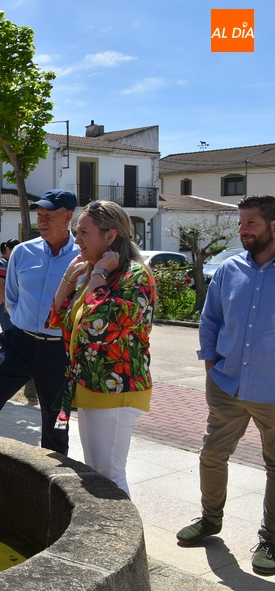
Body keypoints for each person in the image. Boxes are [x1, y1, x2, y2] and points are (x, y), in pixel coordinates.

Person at [176, 195, 275, 575]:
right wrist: (210, 363)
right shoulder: (230, 269)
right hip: (227, 384)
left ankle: (270, 538)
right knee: (211, 455)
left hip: (272, 390)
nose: (242, 229)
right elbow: (211, 318)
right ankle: (210, 519)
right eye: (241, 223)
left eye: (250, 223)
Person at [46, 200, 155, 496]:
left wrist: (96, 277)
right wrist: (70, 277)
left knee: (109, 472)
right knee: (96, 469)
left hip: (117, 388)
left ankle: (124, 538)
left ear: (110, 236)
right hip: (93, 386)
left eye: (83, 232)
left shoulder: (134, 276)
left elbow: (98, 327)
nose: (76, 239)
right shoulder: (97, 274)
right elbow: (59, 318)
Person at [0, 190, 79, 454]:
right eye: (39, 214)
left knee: (57, 426)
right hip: (19, 344)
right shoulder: (23, 253)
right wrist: (20, 321)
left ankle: (53, 486)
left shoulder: (81, 258)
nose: (41, 220)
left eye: (49, 215)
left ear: (68, 217)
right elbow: (11, 298)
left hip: (58, 351)